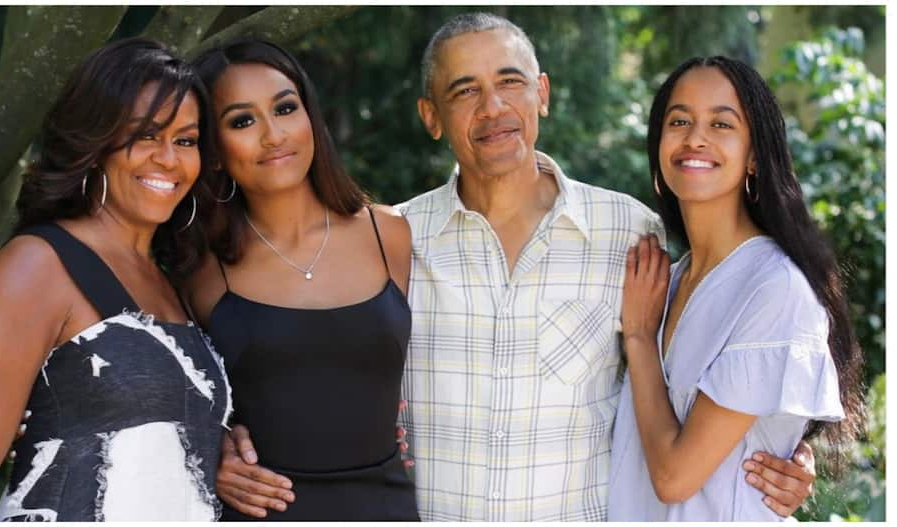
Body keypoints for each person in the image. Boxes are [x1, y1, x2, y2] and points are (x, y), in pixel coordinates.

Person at [216, 13, 818, 521]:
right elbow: (300, 357)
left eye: (510, 82)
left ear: (544, 95)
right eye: (464, 90)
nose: (493, 107)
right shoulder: (389, 240)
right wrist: (220, 436)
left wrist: (791, 446)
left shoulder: (634, 236)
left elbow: (702, 365)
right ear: (431, 116)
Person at [0, 38, 232, 521]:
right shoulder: (36, 266)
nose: (169, 160)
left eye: (186, 141)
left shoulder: (172, 277)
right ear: (96, 143)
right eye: (146, 136)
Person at [608, 56, 864, 521]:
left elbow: (674, 478)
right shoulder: (664, 281)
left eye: (721, 123)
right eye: (679, 120)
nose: (695, 138)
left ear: (753, 154)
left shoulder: (773, 287)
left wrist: (641, 340)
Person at [185, 40, 417, 521]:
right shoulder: (198, 270)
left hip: (384, 508)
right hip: (260, 511)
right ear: (212, 150)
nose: (273, 135)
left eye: (285, 108)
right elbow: (167, 394)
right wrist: (214, 448)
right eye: (242, 121)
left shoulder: (390, 234)